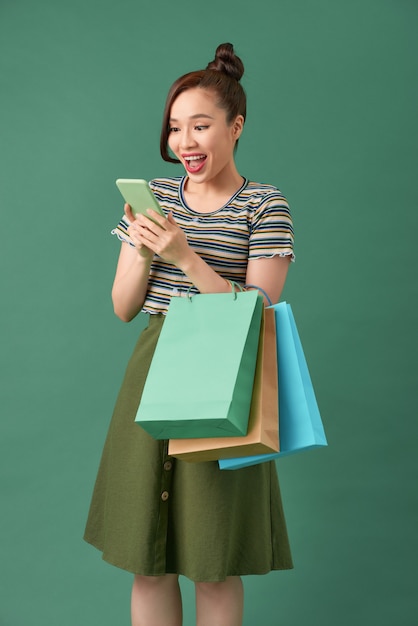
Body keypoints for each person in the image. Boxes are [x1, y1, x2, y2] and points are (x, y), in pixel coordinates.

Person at [84, 42, 295, 626]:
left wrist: (183, 254)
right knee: (146, 559)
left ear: (236, 126)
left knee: (212, 560)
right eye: (176, 128)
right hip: (152, 369)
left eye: (201, 126)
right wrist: (141, 249)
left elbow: (258, 313)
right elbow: (123, 307)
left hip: (221, 377)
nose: (185, 143)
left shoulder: (265, 206)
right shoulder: (154, 199)